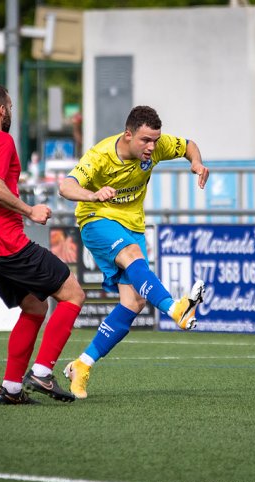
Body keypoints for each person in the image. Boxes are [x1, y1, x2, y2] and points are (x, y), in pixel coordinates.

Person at [0, 83, 85, 405]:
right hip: (7, 243)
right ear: (2, 110)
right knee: (73, 294)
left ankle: (10, 390)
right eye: (11, 107)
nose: (11, 113)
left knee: (35, 307)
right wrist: (30, 210)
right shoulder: (0, 139)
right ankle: (42, 372)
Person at [58, 105, 209, 399]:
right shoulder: (101, 156)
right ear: (128, 135)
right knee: (131, 255)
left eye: (155, 140)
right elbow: (66, 186)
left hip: (132, 225)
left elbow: (189, 145)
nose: (152, 147)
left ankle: (82, 365)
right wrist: (93, 194)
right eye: (145, 141)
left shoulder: (156, 145)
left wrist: (197, 163)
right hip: (97, 218)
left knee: (134, 302)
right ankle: (174, 309)